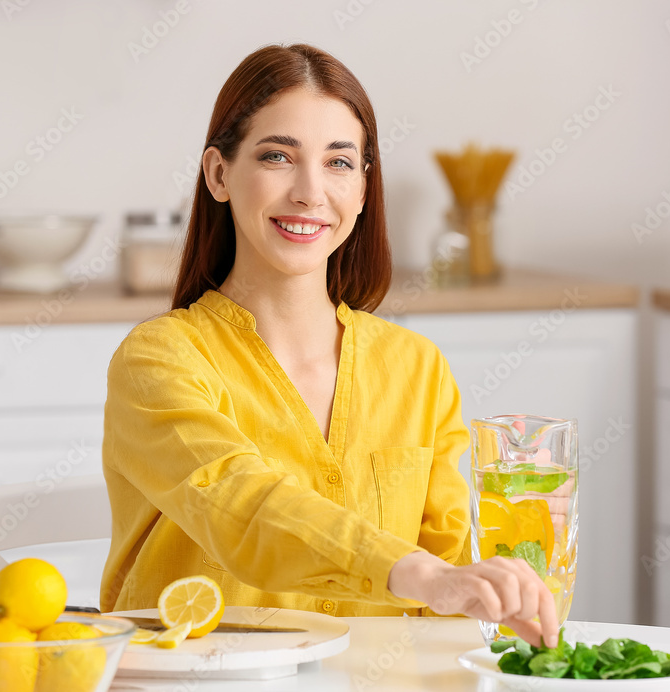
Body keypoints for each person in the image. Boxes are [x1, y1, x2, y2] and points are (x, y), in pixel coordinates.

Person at [99, 43, 558, 648]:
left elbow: (449, 592)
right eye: (277, 156)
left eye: (339, 162)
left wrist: (507, 593)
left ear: (364, 188)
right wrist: (418, 575)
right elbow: (242, 505)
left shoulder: (417, 368)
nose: (309, 193)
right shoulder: (158, 360)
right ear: (218, 175)